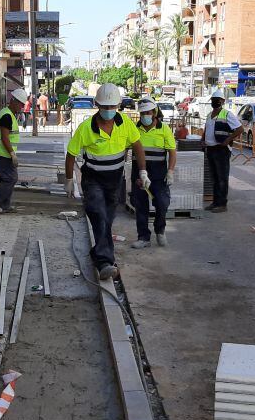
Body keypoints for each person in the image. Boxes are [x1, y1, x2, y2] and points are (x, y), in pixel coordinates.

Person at [63, 83, 147, 281]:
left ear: (118, 105)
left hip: (115, 181)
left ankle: (98, 252)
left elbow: (138, 146)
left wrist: (142, 171)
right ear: (96, 104)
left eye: (112, 107)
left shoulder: (125, 124)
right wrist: (69, 180)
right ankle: (105, 262)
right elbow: (71, 154)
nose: (108, 111)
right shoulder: (86, 128)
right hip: (93, 181)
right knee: (99, 216)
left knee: (107, 220)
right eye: (105, 107)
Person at [130, 98, 177, 248]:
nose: (145, 115)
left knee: (162, 203)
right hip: (139, 175)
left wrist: (170, 171)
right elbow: (125, 150)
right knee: (141, 206)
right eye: (142, 113)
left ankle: (160, 229)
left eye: (148, 112)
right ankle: (143, 237)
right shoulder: (134, 129)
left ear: (154, 113)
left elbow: (172, 152)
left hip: (158, 176)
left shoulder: (164, 129)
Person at [0, 88, 28, 214]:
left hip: (2, 151)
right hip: (2, 152)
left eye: (23, 104)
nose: (21, 107)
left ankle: (5, 204)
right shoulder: (7, 116)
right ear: (13, 101)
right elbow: (5, 138)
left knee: (5, 179)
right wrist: (12, 154)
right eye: (20, 104)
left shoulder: (8, 113)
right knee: (11, 178)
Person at [204, 87, 244, 213]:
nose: (215, 101)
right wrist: (202, 139)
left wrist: (228, 139)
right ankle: (215, 202)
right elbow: (206, 129)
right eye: (213, 99)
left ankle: (222, 204)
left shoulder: (227, 114)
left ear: (222, 101)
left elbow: (240, 129)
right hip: (210, 149)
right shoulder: (209, 115)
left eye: (217, 100)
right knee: (214, 177)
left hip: (221, 149)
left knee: (222, 177)